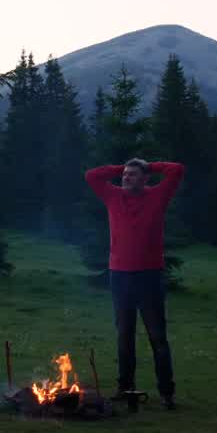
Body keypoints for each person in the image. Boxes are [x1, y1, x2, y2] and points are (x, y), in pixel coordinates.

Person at [84, 158, 185, 410]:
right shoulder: (113, 196)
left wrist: (148, 166)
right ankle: (125, 388)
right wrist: (122, 167)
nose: (126, 178)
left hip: (149, 276)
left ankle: (166, 392)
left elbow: (176, 170)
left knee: (157, 336)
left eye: (133, 175)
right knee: (124, 335)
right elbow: (92, 175)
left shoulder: (157, 196)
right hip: (119, 275)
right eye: (125, 175)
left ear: (145, 179)